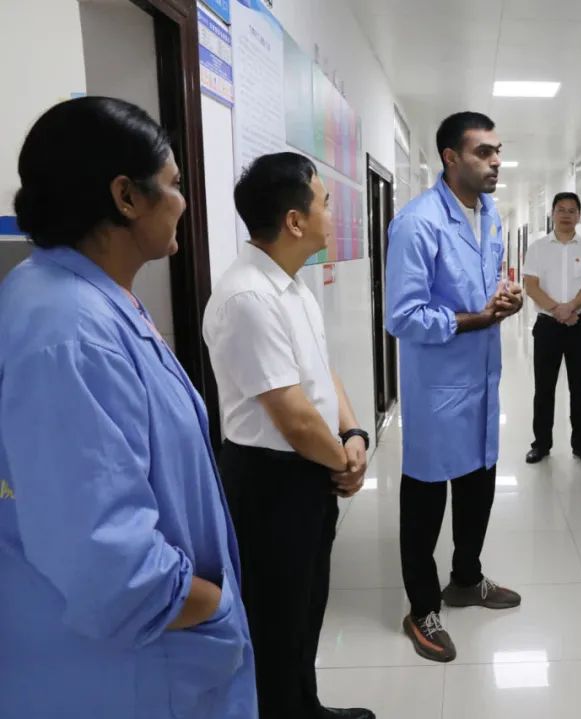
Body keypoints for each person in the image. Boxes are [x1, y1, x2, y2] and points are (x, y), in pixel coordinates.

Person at [0, 97, 256, 718]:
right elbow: (106, 564)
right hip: (132, 673)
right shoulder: (69, 332)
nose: (183, 202)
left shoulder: (85, 298)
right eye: (174, 183)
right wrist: (210, 606)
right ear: (126, 197)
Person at [204, 152, 373, 719]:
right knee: (275, 620)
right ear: (295, 221)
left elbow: (322, 374)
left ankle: (306, 706)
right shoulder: (249, 297)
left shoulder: (292, 287)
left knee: (306, 606)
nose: (332, 213)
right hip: (271, 482)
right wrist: (343, 464)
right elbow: (294, 418)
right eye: (325, 202)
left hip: (309, 469)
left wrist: (353, 432)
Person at [385, 111, 523, 664]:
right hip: (438, 388)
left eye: (498, 151)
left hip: (483, 379)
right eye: (483, 152)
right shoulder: (418, 223)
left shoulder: (488, 214)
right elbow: (403, 315)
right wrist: (478, 318)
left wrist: (505, 298)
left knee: (477, 485)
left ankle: (466, 577)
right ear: (450, 158)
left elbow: (489, 285)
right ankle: (422, 609)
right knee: (425, 501)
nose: (496, 162)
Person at [523, 191, 581, 464]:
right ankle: (541, 444)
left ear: (579, 215)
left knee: (580, 388)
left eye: (572, 210)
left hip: (580, 325)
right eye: (561, 209)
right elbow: (531, 286)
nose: (566, 215)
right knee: (544, 388)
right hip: (548, 326)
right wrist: (558, 309)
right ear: (552, 214)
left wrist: (571, 307)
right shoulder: (537, 248)